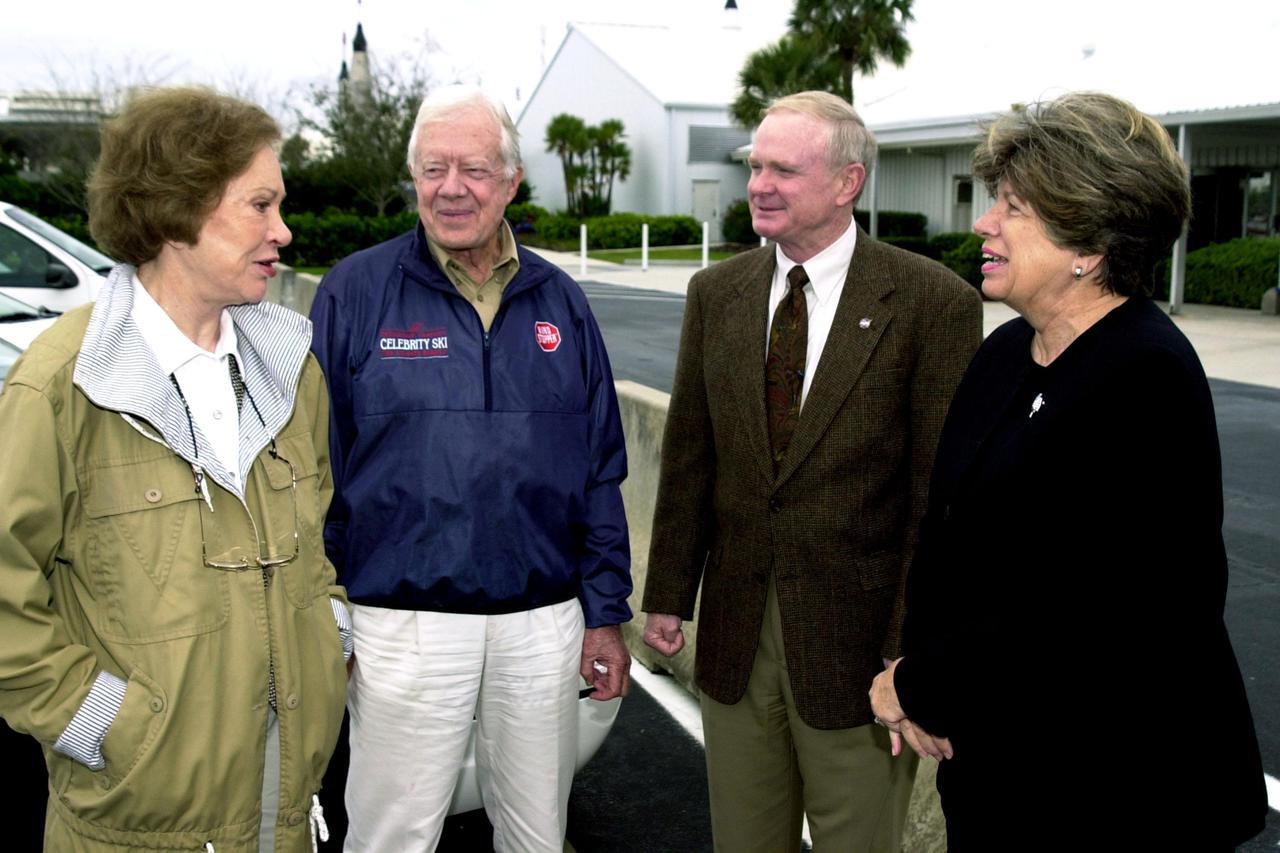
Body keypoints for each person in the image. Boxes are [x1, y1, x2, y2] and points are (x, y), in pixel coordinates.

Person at [869, 91, 1268, 850]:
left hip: (1114, 792)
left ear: (1088, 237)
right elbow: (946, 533)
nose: (984, 223)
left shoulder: (1146, 375)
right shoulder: (1002, 355)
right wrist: (913, 664)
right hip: (999, 770)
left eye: (1012, 206)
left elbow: (1089, 612)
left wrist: (919, 687)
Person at [0, 87, 351, 852]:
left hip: (287, 814)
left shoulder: (293, 373)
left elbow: (322, 551)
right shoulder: (63, 385)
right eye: (260, 205)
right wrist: (100, 723)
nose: (283, 231)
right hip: (133, 827)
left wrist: (332, 642)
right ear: (179, 208)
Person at [641, 90, 983, 852]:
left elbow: (937, 499)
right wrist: (667, 593)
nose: (760, 183)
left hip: (860, 654)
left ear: (847, 182)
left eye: (784, 169)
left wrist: (908, 645)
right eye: (755, 165)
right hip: (734, 636)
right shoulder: (714, 294)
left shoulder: (934, 303)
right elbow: (691, 454)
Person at [309, 85, 632, 853]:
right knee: (393, 834)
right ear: (413, 177)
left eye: (474, 170)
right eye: (433, 168)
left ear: (512, 181)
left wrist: (605, 612)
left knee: (536, 832)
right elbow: (314, 466)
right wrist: (328, 611)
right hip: (404, 624)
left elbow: (600, 472)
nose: (451, 188)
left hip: (540, 622)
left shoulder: (562, 301)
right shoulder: (353, 293)